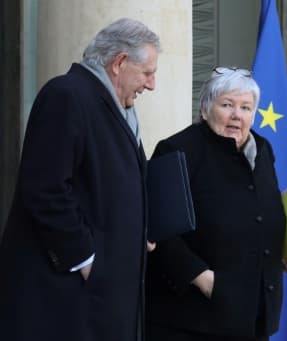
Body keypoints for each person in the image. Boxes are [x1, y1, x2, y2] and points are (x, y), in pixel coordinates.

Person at [0, 18, 161, 341]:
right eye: (146, 73)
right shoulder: (67, 95)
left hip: (99, 301)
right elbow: (44, 189)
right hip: (65, 299)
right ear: (118, 63)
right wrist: (85, 260)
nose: (151, 84)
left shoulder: (117, 108)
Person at [145, 66, 287, 341]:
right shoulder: (177, 149)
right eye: (227, 105)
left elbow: (264, 213)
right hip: (192, 320)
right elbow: (158, 229)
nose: (236, 116)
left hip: (254, 315)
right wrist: (204, 279)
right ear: (206, 109)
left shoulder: (262, 150)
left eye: (245, 107)